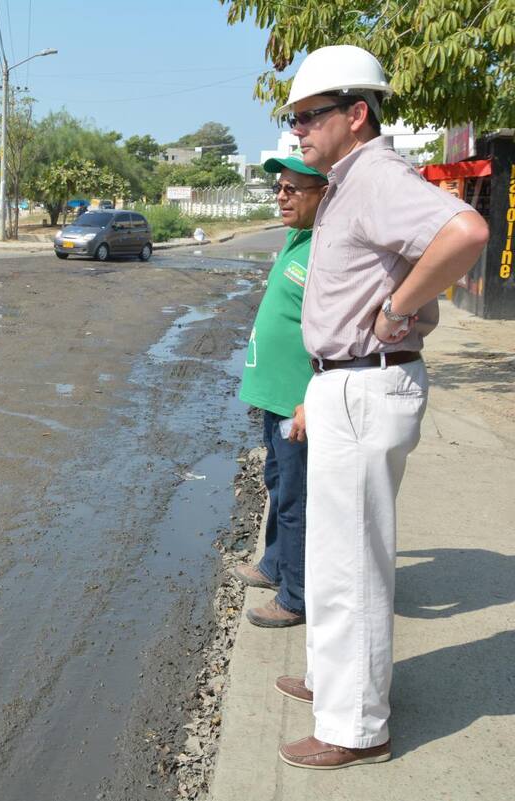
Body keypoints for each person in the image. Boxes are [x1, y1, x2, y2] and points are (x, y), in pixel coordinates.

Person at [271, 44, 489, 770]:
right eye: (293, 116)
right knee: (336, 559)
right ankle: (335, 685)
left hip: (369, 379)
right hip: (346, 380)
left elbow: (466, 231)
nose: (298, 128)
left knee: (354, 562)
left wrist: (399, 305)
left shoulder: (375, 177)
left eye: (310, 114)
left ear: (356, 114)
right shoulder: (348, 181)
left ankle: (358, 726)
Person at [233, 155, 328, 629]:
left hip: (298, 404)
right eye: (279, 188)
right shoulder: (298, 237)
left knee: (296, 501)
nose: (281, 196)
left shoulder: (326, 252)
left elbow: (336, 337)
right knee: (277, 486)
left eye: (293, 189)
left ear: (324, 194)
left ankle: (296, 597)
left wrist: (312, 399)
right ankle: (274, 564)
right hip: (274, 399)